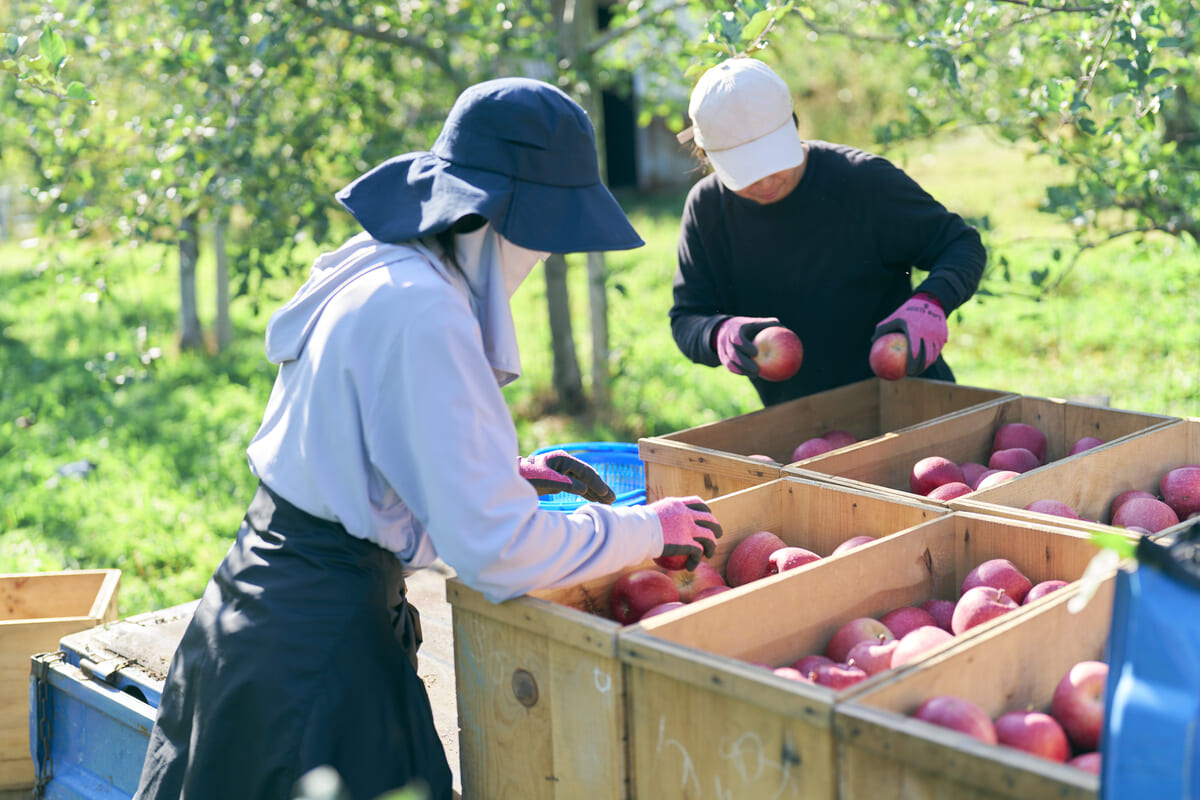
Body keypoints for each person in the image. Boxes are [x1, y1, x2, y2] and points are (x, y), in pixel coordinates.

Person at [133, 77, 722, 800]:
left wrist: (483, 473)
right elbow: (499, 554)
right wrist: (646, 528)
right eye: (540, 239)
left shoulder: (383, 264)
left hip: (261, 601)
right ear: (493, 219)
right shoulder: (425, 314)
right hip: (315, 649)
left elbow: (355, 440)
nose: (541, 260)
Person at [669, 57, 987, 407]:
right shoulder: (708, 209)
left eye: (773, 161)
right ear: (706, 156)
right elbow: (688, 316)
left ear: (792, 125)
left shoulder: (863, 182)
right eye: (745, 171)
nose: (766, 180)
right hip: (803, 423)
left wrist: (933, 301)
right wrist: (716, 333)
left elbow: (960, 244)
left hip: (909, 403)